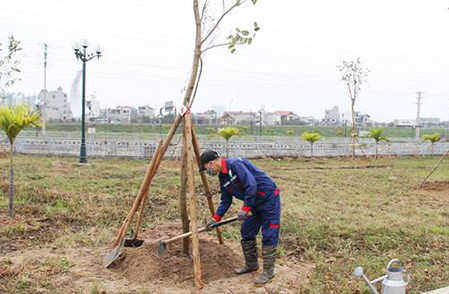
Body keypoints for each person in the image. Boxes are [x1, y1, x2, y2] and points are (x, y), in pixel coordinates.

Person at [200, 150, 281, 287]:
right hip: (254, 203)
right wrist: (216, 219)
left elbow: (251, 185)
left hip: (268, 200)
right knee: (247, 231)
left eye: (206, 168)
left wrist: (245, 208)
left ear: (211, 162)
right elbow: (225, 200)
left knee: (269, 233)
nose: (208, 171)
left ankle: (268, 272)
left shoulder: (235, 164)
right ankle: (252, 265)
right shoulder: (223, 178)